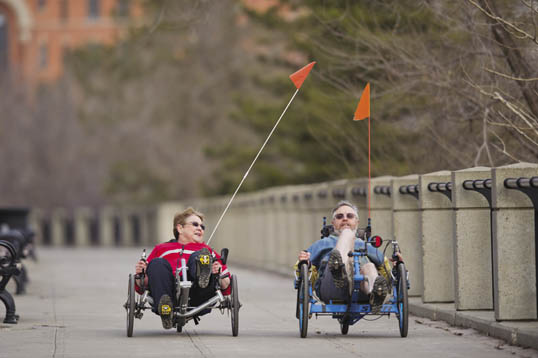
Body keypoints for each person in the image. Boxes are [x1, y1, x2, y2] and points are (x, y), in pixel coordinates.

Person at [134, 207, 231, 329]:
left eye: (202, 226)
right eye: (195, 224)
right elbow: (142, 284)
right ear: (180, 228)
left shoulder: (207, 251)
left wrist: (218, 272)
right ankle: (166, 309)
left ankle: (203, 274)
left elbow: (226, 286)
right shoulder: (161, 248)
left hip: (198, 292)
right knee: (157, 263)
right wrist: (141, 273)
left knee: (200, 256)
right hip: (168, 289)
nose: (200, 228)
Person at [297, 200, 402, 310]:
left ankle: (375, 294)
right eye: (339, 216)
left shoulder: (367, 245)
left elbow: (388, 277)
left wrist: (397, 267)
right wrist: (304, 263)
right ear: (333, 223)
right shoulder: (322, 244)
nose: (345, 218)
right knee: (347, 233)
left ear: (357, 222)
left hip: (362, 290)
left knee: (370, 267)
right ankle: (339, 270)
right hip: (331, 287)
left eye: (350, 216)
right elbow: (301, 273)